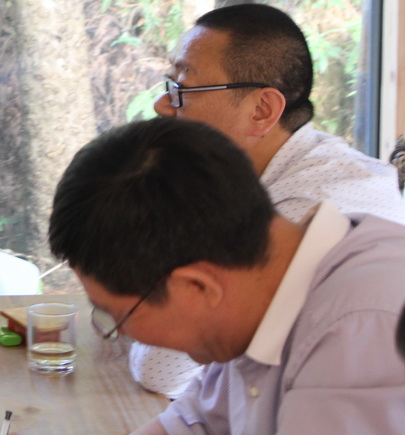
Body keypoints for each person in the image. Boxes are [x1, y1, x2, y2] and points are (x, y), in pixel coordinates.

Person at [49, 117, 405, 435]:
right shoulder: (257, 291)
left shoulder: (362, 331)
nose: (123, 335)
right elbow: (196, 421)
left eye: (119, 318)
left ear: (196, 286)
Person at [136, 2, 404, 396]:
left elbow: (162, 368)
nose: (162, 105)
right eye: (168, 85)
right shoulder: (255, 176)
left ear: (262, 110)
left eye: (181, 90)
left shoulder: (315, 209)